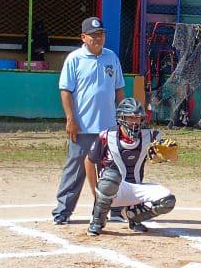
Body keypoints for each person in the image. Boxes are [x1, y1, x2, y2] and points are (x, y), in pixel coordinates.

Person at [53, 16, 125, 225]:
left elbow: (119, 89)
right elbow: (66, 91)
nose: (98, 38)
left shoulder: (111, 57)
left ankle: (115, 210)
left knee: (112, 170)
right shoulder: (74, 59)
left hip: (109, 126)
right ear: (83, 37)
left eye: (101, 34)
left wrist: (122, 119)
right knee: (75, 170)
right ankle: (62, 212)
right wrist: (70, 119)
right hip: (83, 126)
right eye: (93, 35)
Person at [85, 98, 176, 236]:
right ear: (121, 118)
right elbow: (89, 161)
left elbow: (169, 156)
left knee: (168, 200)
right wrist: (94, 192)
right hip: (112, 190)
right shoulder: (107, 135)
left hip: (135, 189)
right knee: (110, 178)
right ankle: (98, 220)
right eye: (130, 118)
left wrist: (168, 154)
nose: (135, 122)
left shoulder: (150, 136)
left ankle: (135, 217)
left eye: (138, 118)